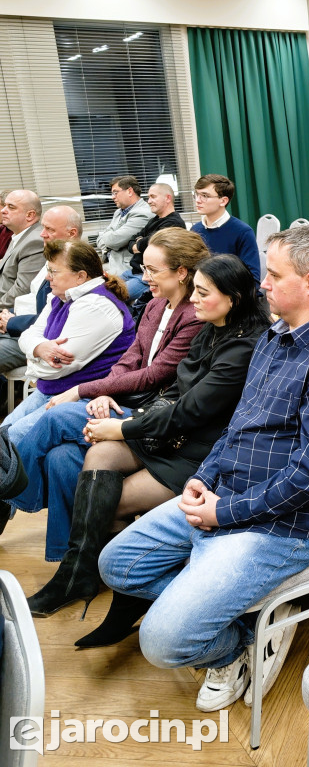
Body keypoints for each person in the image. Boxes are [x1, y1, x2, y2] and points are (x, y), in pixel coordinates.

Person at [98, 226, 309, 712]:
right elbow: (238, 427)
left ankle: (228, 651)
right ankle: (248, 630)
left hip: (284, 527)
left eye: (273, 274)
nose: (262, 284)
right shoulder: (273, 338)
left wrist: (223, 513)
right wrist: (202, 478)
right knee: (117, 564)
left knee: (162, 643)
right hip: (224, 497)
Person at [25, 255, 270, 646]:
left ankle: (124, 596)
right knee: (98, 454)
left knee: (107, 499)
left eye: (204, 293)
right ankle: (80, 573)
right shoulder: (211, 328)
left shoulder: (244, 347)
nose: (195, 301)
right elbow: (174, 390)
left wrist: (123, 427)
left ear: (233, 298)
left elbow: (190, 411)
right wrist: (124, 419)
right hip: (170, 431)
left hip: (200, 452)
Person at [4, 228, 204, 561]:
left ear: (181, 272)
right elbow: (132, 358)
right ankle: (72, 562)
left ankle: (7, 492)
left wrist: (84, 390)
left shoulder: (193, 315)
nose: (143, 275)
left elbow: (156, 375)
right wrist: (101, 394)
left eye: (153, 270)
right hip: (124, 403)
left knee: (53, 417)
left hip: (154, 417)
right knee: (60, 458)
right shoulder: (156, 305)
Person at [1, 240, 136, 442]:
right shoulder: (62, 296)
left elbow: (55, 369)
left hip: (82, 398)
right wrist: (39, 348)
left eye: (54, 271)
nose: (48, 277)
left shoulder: (96, 305)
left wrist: (33, 355)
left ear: (80, 276)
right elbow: (29, 334)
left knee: (9, 441)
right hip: (52, 390)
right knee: (3, 433)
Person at [0, 205, 81, 375]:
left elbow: (56, 320)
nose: (42, 234)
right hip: (25, 329)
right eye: (43, 227)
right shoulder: (54, 259)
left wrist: (11, 322)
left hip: (40, 339)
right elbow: (33, 300)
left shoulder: (75, 270)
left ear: (72, 234)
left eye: (49, 229)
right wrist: (6, 316)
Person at [190, 173, 261, 282]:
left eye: (204, 196)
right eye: (197, 194)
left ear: (223, 201)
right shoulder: (195, 230)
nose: (198, 200)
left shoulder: (242, 232)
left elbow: (252, 278)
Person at [122, 183, 187, 300]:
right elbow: (132, 241)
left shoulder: (174, 223)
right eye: (148, 197)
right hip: (132, 272)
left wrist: (140, 243)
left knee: (112, 296)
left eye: (153, 197)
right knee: (103, 287)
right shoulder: (154, 220)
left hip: (148, 278)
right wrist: (139, 243)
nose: (149, 201)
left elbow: (149, 245)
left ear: (168, 198)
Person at [96, 176, 154, 278]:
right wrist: (109, 238)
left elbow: (113, 240)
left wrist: (109, 238)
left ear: (130, 191)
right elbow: (100, 239)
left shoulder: (143, 213)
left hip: (128, 269)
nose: (112, 197)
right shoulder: (118, 212)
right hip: (112, 264)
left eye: (115, 192)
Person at [0, 189, 45, 310]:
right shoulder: (18, 235)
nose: (3, 210)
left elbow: (22, 290)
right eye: (4, 206)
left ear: (30, 215)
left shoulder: (35, 241)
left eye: (11, 207)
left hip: (9, 310)